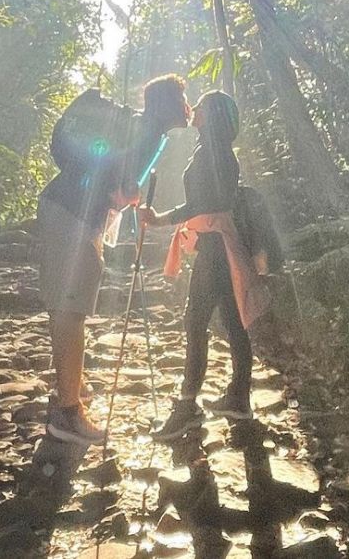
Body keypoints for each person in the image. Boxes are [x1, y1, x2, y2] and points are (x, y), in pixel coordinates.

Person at [38, 73, 190, 446]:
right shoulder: (148, 132)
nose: (187, 106)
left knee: (66, 307)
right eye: (182, 98)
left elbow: (113, 178)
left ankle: (70, 386)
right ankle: (68, 413)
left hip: (69, 212)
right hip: (72, 215)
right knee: (70, 310)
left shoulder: (145, 130)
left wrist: (122, 189)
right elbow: (115, 182)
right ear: (168, 105)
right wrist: (125, 191)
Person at [139, 90, 270, 441]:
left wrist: (161, 219)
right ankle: (238, 398)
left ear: (212, 116)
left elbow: (201, 203)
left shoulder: (214, 154)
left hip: (215, 248)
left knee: (195, 321)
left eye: (201, 106)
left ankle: (187, 407)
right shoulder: (217, 151)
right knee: (232, 321)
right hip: (220, 244)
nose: (193, 109)